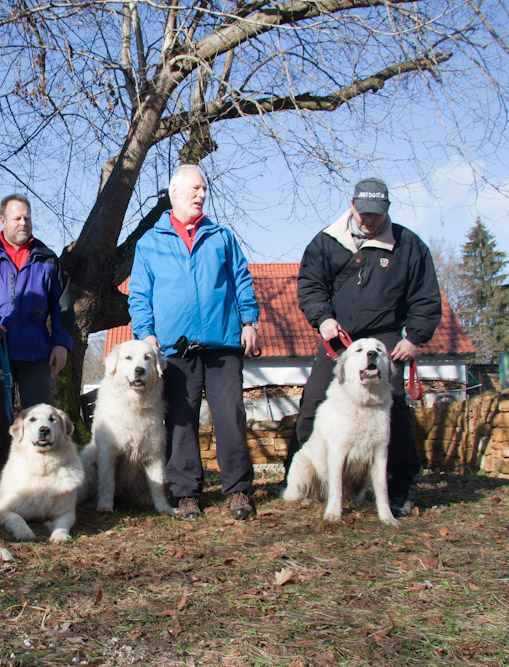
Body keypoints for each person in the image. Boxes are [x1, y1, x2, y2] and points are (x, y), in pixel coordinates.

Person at [284, 176, 442, 518]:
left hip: (385, 337)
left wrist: (413, 337)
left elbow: (425, 297)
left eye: (377, 213)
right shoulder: (327, 241)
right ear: (352, 205)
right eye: (364, 212)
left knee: (395, 410)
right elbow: (310, 285)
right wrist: (322, 318)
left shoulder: (408, 246)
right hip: (339, 337)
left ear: (386, 210)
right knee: (313, 403)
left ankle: (401, 488)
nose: (369, 219)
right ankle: (303, 481)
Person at [128, 164, 261, 520]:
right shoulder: (150, 242)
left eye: (204, 188)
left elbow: (241, 280)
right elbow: (139, 294)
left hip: (223, 344)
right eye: (195, 188)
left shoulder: (222, 236)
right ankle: (186, 493)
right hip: (174, 350)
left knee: (230, 417)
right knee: (181, 422)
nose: (201, 194)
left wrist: (249, 320)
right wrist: (146, 333)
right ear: (175, 192)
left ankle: (238, 491)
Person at [0, 193, 74, 482]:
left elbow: (63, 307)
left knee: (41, 423)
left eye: (28, 217)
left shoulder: (47, 258)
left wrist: (61, 343)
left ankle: (43, 484)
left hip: (35, 354)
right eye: (17, 217)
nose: (24, 222)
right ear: (3, 220)